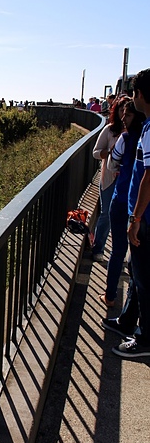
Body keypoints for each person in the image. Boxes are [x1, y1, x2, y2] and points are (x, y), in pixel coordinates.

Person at [111, 69, 150, 357]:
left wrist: (135, 219)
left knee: (144, 278)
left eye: (135, 93)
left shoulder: (149, 130)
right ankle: (129, 322)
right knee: (138, 276)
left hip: (144, 218)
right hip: (142, 215)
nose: (133, 98)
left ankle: (145, 339)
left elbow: (149, 176)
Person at [99, 101, 145, 306]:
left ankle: (110, 296)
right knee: (138, 256)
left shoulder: (125, 138)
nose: (124, 119)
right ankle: (131, 306)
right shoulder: (146, 134)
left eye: (127, 115)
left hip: (123, 198)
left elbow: (111, 163)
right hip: (142, 205)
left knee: (118, 248)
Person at [91, 95, 127, 260]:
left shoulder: (137, 132)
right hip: (109, 178)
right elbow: (96, 152)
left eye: (127, 110)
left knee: (127, 216)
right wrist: (109, 152)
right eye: (121, 110)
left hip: (127, 179)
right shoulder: (109, 129)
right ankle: (98, 249)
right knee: (106, 214)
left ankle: (120, 254)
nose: (124, 114)